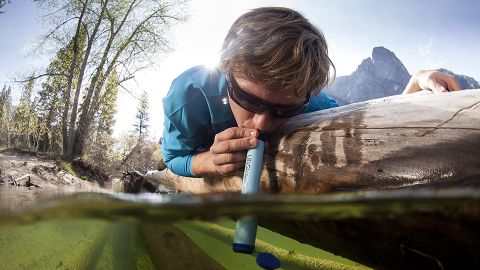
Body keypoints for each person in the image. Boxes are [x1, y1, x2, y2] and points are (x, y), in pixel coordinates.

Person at [161, 7, 460, 178]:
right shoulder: (188, 96)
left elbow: (365, 122)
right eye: (249, 101)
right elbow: (173, 156)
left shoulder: (313, 102)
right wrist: (207, 162)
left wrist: (414, 85)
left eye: (284, 111)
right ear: (226, 70)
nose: (262, 124)